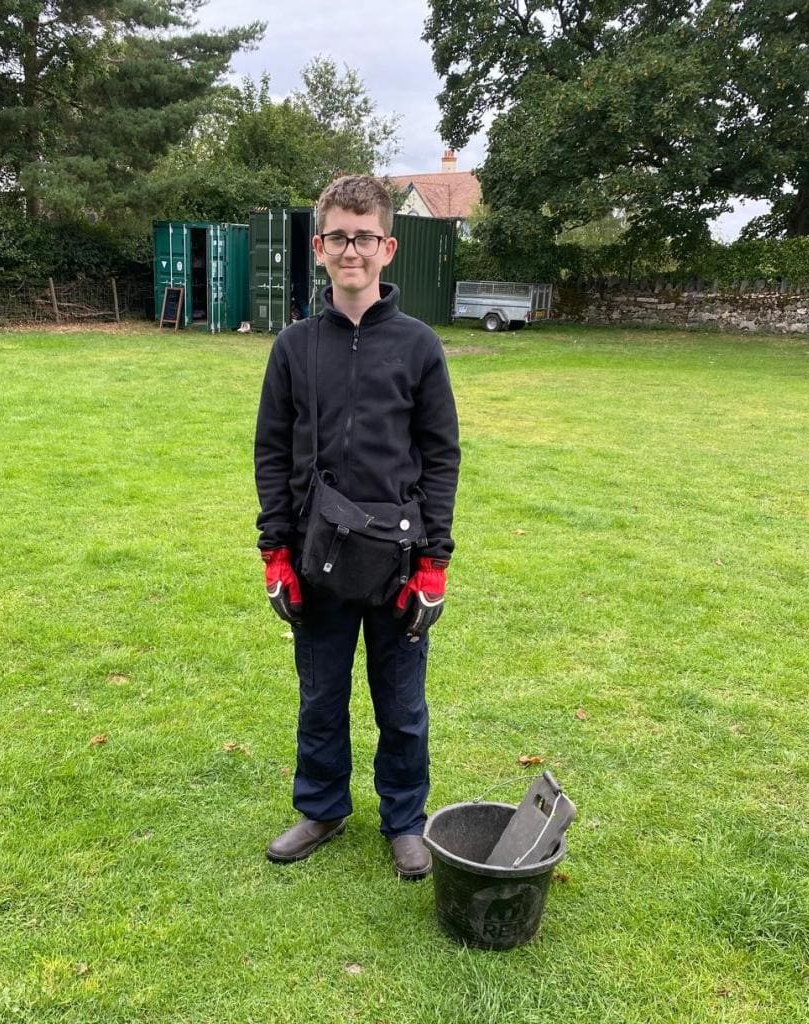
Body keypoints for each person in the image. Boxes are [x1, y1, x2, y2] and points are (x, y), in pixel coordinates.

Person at [254, 175, 460, 880]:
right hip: (316, 553)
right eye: (338, 236)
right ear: (318, 247)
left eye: (363, 237)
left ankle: (404, 817)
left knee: (401, 703)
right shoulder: (293, 347)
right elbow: (272, 452)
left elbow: (440, 457)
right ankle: (321, 807)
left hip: (398, 559)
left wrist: (434, 562)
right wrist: (273, 551)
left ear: (387, 247)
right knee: (320, 695)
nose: (351, 250)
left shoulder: (417, 346)